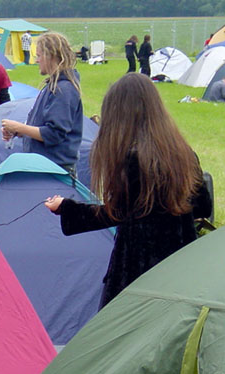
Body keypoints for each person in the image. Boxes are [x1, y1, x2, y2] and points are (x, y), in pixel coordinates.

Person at [44, 73, 211, 307]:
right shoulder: (182, 153)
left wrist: (67, 208)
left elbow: (118, 213)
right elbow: (203, 205)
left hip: (136, 275)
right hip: (180, 269)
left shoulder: (133, 160)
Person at [0, 32, 83, 176]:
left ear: (50, 56)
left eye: (38, 56)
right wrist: (18, 132)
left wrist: (20, 127)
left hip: (56, 170)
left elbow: (54, 134)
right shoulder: (53, 86)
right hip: (45, 167)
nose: (37, 60)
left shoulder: (64, 90)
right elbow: (43, 126)